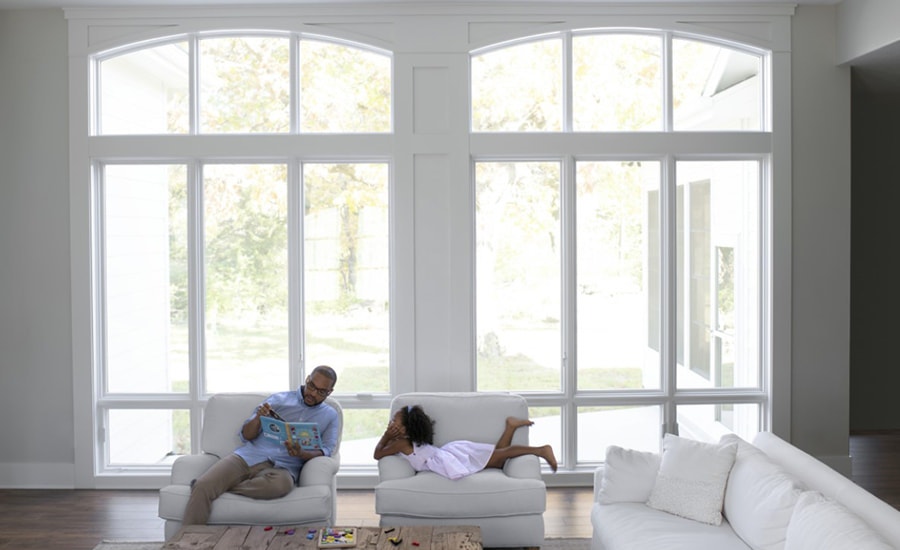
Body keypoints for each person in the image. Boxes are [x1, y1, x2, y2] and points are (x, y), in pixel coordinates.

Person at [182, 365, 340, 526]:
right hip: (248, 456)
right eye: (312, 386)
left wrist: (302, 453)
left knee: (280, 486)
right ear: (307, 379)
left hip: (283, 468)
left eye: (321, 392)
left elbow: (326, 450)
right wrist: (258, 417)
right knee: (202, 486)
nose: (313, 393)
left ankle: (219, 487)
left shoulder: (330, 415)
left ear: (329, 392)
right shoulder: (278, 399)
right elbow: (246, 435)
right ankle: (187, 542)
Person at [373, 404, 557, 480]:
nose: (390, 425)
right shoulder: (405, 441)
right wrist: (390, 435)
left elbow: (377, 454)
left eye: (394, 422)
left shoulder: (400, 443)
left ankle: (540, 450)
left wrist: (386, 436)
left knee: (501, 456)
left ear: (405, 429)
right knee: (498, 461)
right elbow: (380, 455)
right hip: (449, 454)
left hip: (450, 457)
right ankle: (510, 427)